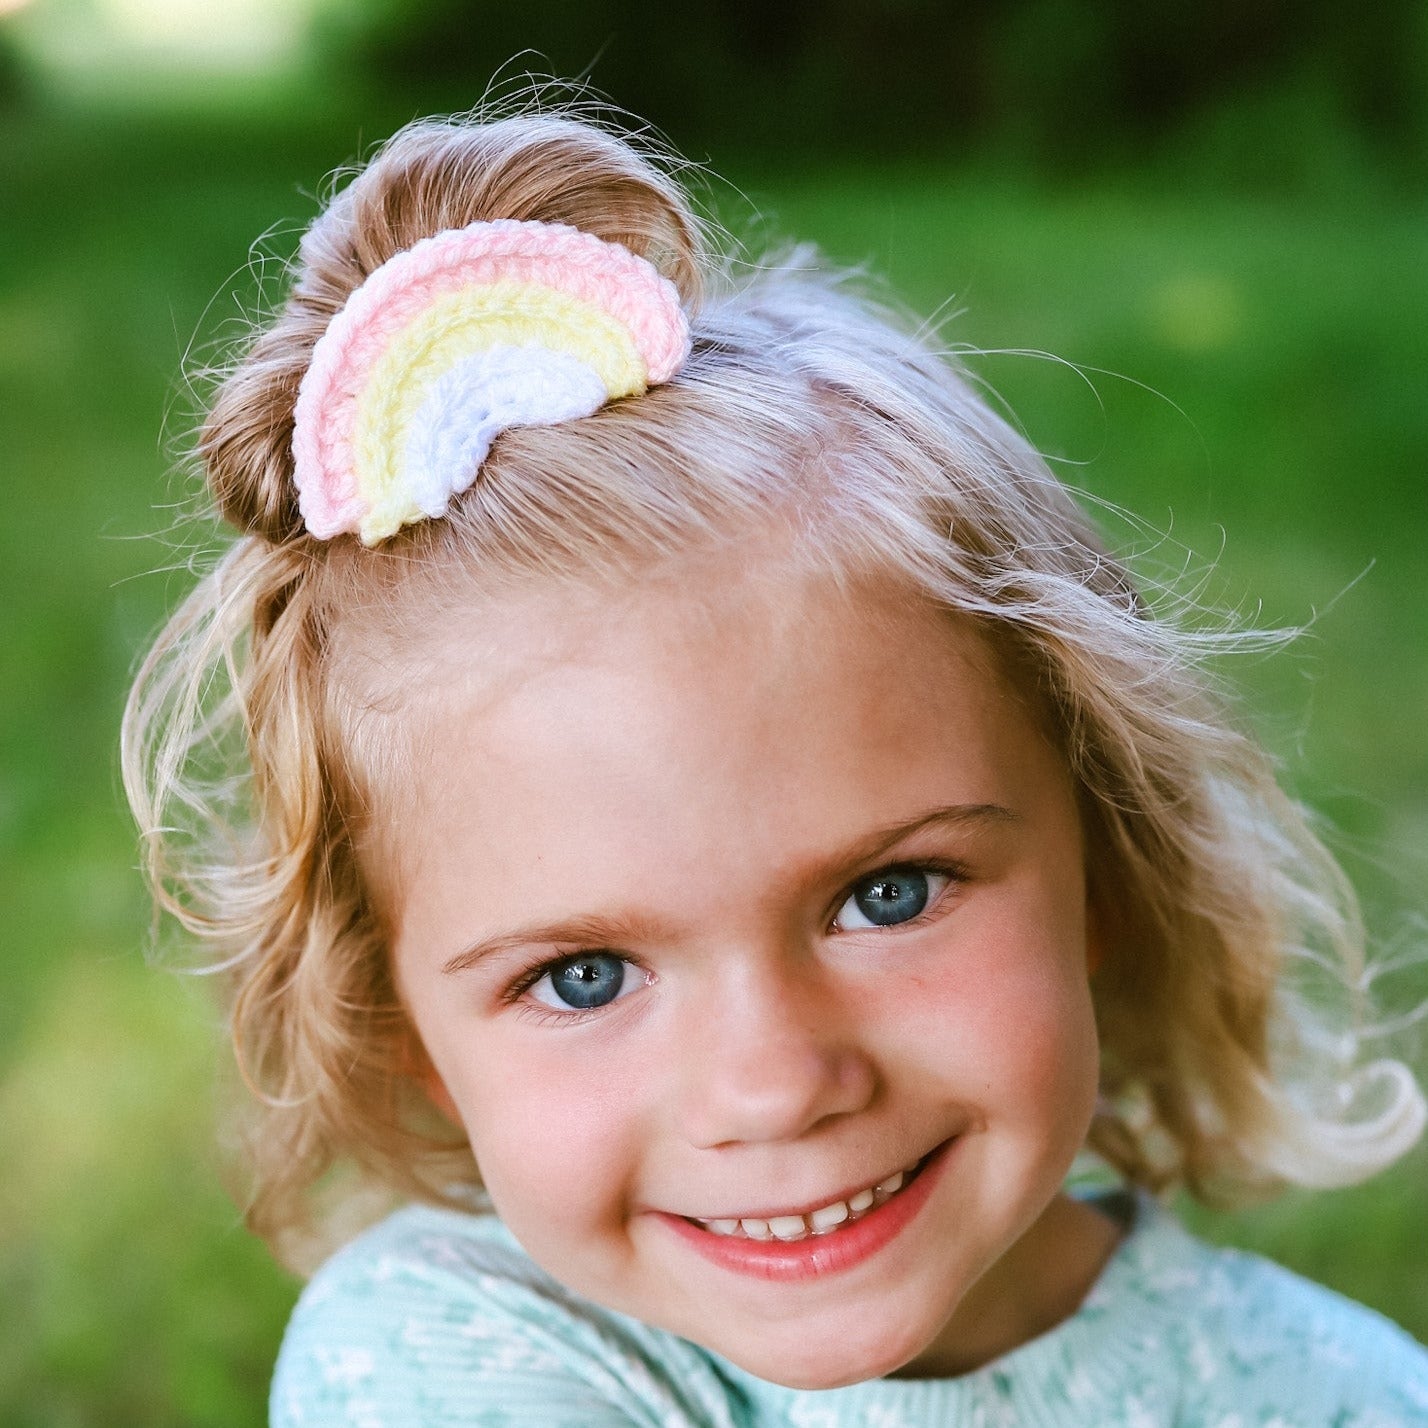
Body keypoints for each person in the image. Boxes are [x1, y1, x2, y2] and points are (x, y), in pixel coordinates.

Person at [123, 99, 1428, 1425]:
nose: (775, 1084)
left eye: (892, 894)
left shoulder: (1333, 1394)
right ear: (404, 1037)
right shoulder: (447, 1357)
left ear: (1105, 854)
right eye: (584, 978)